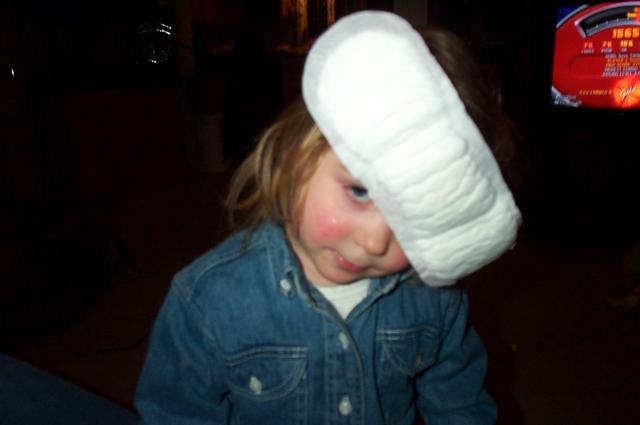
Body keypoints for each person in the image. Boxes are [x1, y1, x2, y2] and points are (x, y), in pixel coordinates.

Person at [134, 11, 521, 425]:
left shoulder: (434, 299)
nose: (375, 242)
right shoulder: (207, 299)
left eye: (415, 220)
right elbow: (174, 413)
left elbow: (459, 402)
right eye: (360, 191)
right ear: (294, 152)